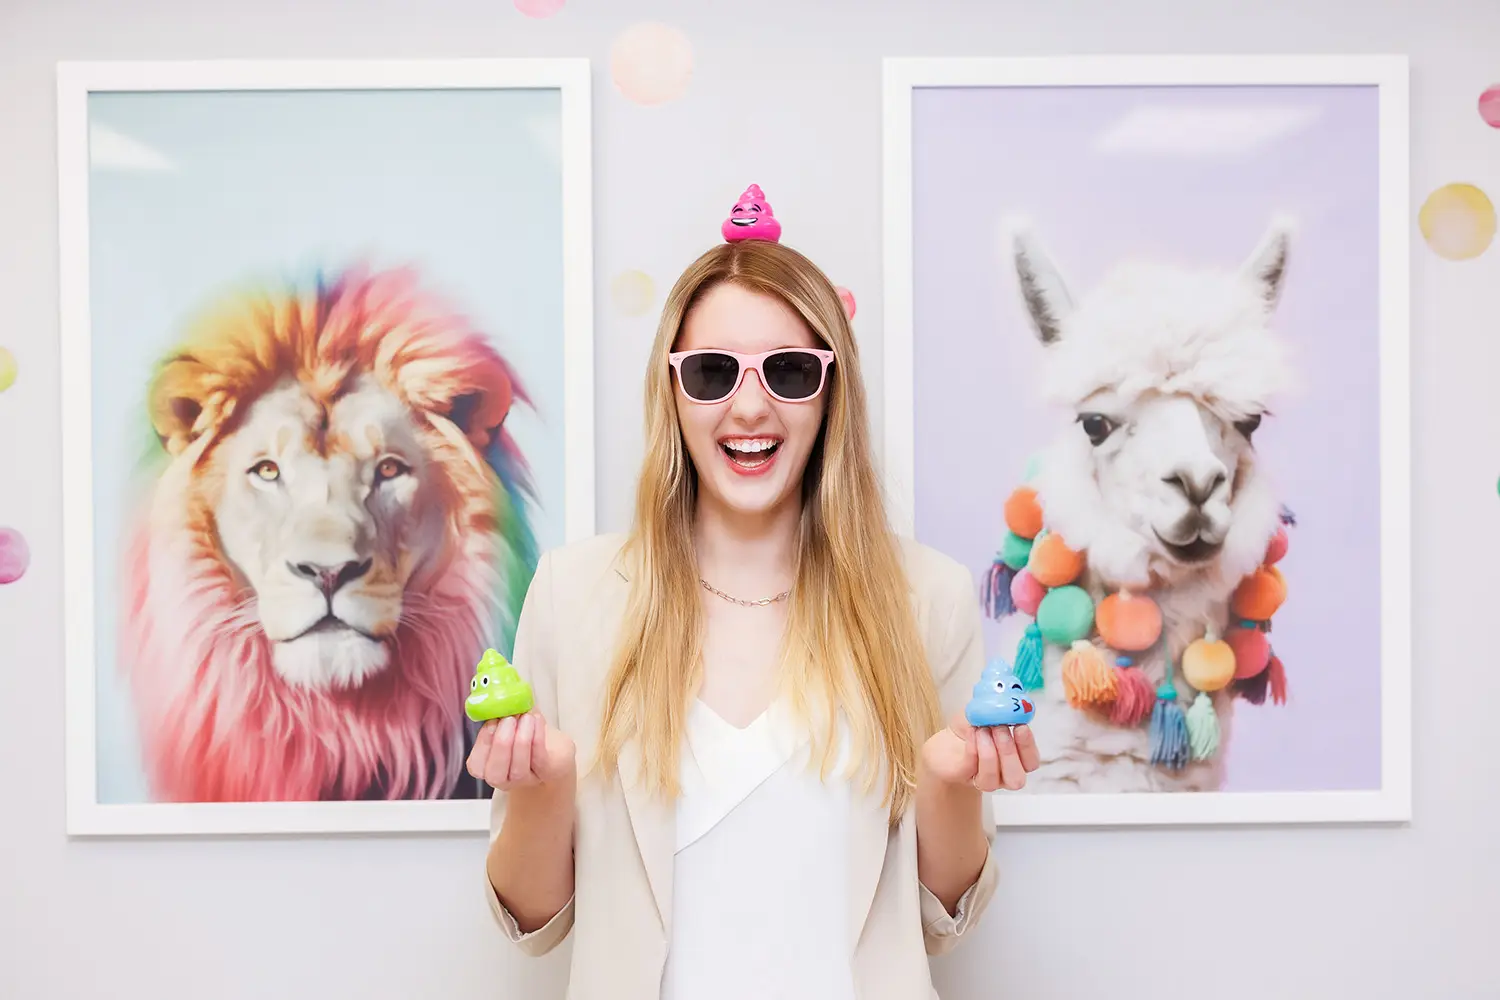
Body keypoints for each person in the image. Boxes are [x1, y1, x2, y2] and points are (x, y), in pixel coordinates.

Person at [467, 218, 1039, 999]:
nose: (749, 408)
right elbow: (532, 922)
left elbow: (946, 922)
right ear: (673, 391)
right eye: (711, 373)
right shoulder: (575, 596)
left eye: (790, 372)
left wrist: (951, 783)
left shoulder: (924, 599)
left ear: (830, 389)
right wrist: (541, 789)